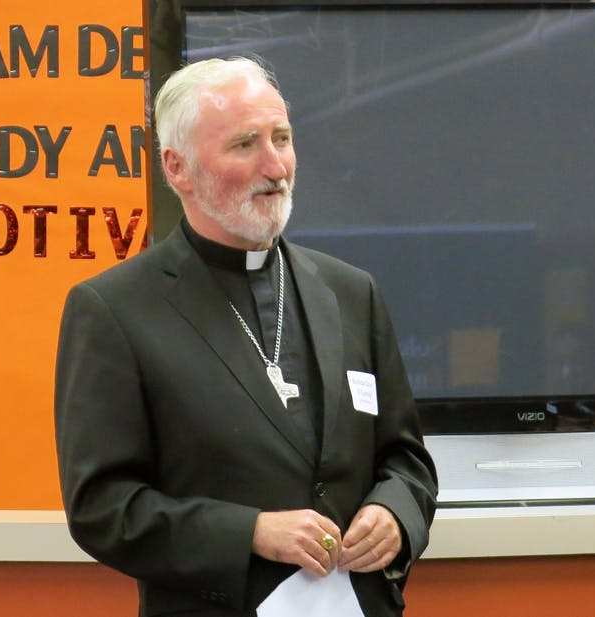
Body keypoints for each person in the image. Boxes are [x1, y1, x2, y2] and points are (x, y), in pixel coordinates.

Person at [54, 57, 438, 617]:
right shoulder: (113, 310)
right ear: (178, 168)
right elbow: (102, 507)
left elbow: (406, 458)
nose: (276, 166)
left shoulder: (352, 292)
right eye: (245, 145)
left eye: (282, 138)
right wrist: (250, 532)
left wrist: (396, 513)